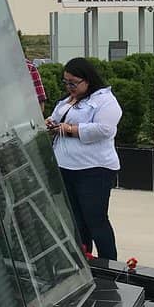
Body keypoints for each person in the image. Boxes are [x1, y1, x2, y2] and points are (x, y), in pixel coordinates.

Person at [46, 57, 121, 261]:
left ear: (87, 80)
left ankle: (109, 265)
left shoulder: (104, 100)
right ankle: (83, 260)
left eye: (73, 83)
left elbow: (105, 129)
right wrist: (51, 124)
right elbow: (57, 118)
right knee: (76, 221)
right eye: (66, 82)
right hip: (66, 167)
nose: (69, 87)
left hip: (94, 170)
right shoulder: (68, 100)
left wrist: (70, 130)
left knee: (95, 220)